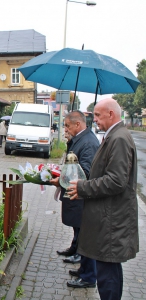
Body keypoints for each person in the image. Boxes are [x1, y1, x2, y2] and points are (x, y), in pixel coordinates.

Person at [67, 99, 139, 299]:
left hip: (112, 221)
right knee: (108, 271)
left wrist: (83, 187)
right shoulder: (113, 136)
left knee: (108, 275)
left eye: (97, 115)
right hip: (109, 217)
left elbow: (116, 181)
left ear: (111, 114)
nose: (95, 120)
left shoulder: (119, 138)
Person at [50, 110, 99, 288]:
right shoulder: (80, 140)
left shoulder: (88, 143)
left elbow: (84, 172)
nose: (66, 129)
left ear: (78, 125)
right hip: (76, 195)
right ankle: (83, 270)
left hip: (81, 197)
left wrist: (61, 181)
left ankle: (88, 277)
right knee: (81, 235)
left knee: (86, 238)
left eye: (68, 126)